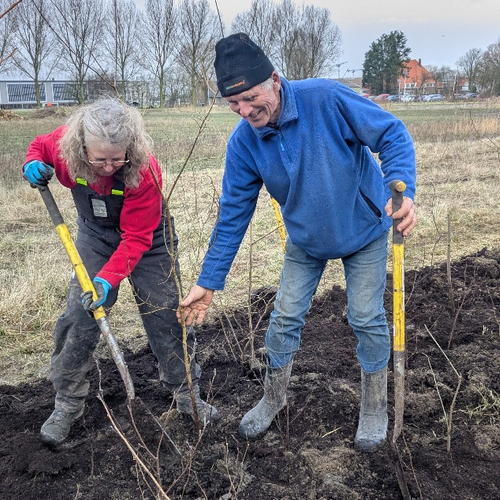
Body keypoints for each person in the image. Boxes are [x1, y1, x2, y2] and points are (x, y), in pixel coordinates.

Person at [178, 33, 417, 452]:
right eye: (234, 104)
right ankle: (273, 397)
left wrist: (404, 189)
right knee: (284, 317)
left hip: (364, 232)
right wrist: (209, 281)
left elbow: (392, 134)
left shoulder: (325, 98)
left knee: (365, 317)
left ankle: (375, 404)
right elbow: (233, 215)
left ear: (274, 79)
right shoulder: (244, 142)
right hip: (306, 241)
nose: (246, 111)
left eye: (252, 98)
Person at [23, 98, 218, 447]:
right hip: (95, 235)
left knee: (165, 314)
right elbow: (40, 145)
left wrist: (106, 279)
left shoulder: (144, 170)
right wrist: (33, 162)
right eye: (99, 159)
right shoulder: (64, 147)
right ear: (81, 147)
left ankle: (186, 393)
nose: (109, 166)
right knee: (79, 314)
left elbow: (137, 238)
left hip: (150, 240)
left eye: (118, 158)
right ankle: (67, 402)